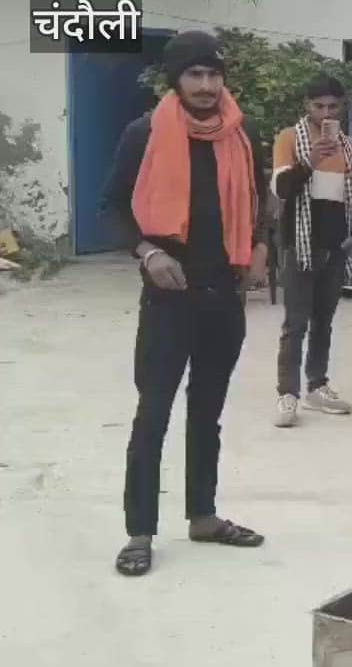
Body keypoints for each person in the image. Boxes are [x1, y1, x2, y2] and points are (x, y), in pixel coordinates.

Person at [102, 30, 271, 577]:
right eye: (194, 74)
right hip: (168, 297)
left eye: (213, 74)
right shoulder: (144, 133)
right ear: (176, 79)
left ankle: (203, 516)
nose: (205, 85)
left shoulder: (243, 134)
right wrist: (146, 251)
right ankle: (139, 532)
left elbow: (257, 198)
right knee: (152, 415)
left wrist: (263, 247)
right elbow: (111, 207)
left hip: (224, 294)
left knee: (208, 414)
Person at [269, 75, 352, 427]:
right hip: (298, 244)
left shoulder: (349, 147)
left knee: (323, 322)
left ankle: (317, 385)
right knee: (295, 322)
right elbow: (282, 189)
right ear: (307, 107)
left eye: (332, 106)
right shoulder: (289, 139)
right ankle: (288, 393)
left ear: (341, 107)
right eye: (318, 106)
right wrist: (308, 162)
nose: (325, 112)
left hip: (334, 246)